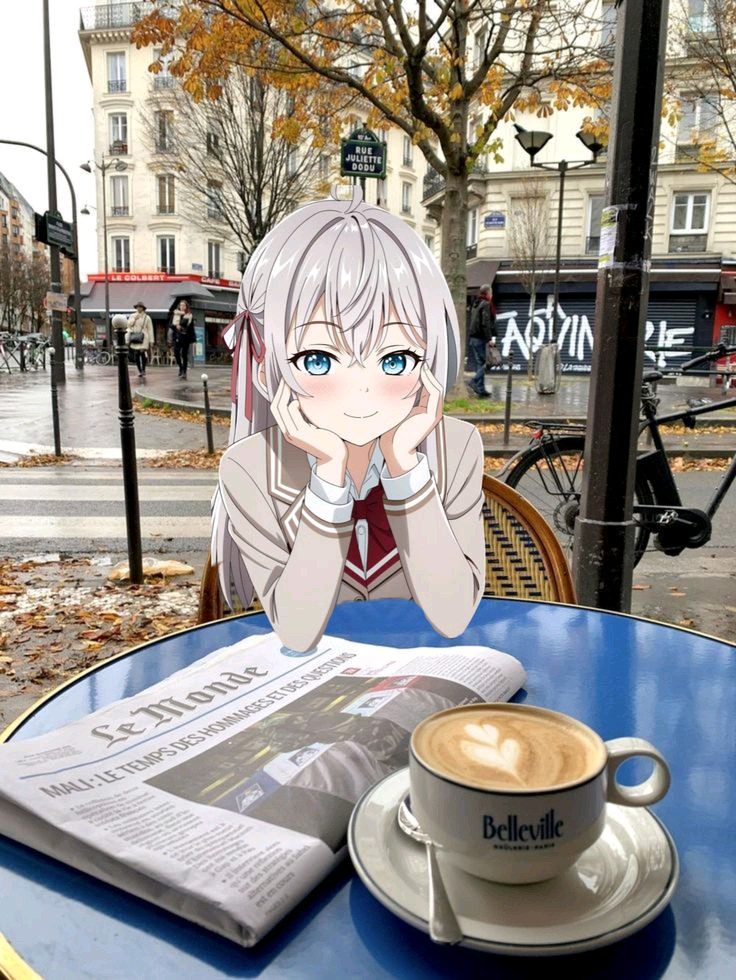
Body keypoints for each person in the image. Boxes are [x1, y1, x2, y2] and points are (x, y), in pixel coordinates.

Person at [212, 187, 486, 653]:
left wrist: (405, 468)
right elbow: (298, 632)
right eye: (318, 360)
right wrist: (329, 477)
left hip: (424, 669)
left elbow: (454, 614)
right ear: (264, 369)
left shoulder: (455, 448)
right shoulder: (249, 468)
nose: (361, 393)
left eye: (395, 359)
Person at [466, 283, 497, 398]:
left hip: (473, 338)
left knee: (480, 363)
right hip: (480, 338)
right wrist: (490, 339)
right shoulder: (486, 304)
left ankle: (480, 389)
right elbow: (485, 323)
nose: (492, 295)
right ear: (488, 293)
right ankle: (474, 381)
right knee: (486, 363)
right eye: (491, 292)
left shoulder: (476, 303)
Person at [126, 301, 154, 377]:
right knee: (136, 354)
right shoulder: (132, 316)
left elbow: (150, 329)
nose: (139, 308)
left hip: (144, 337)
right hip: (135, 336)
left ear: (143, 308)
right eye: (137, 307)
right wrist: (134, 319)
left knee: (142, 352)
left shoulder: (147, 317)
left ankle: (143, 369)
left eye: (140, 307)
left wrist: (151, 341)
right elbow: (128, 325)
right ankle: (140, 370)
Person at [169, 299, 196, 378]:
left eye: (184, 305)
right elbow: (170, 325)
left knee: (184, 354)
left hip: (185, 337)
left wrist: (182, 327)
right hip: (177, 337)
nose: (182, 307)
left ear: (186, 306)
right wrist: (175, 326)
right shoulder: (175, 314)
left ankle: (184, 371)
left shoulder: (189, 315)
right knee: (176, 353)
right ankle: (181, 367)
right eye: (181, 305)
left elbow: (190, 327)